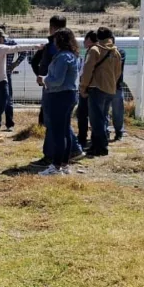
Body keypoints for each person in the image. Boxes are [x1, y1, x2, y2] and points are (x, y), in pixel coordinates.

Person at [0, 29, 37, 141]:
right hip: (0, 82)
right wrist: (36, 46)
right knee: (1, 107)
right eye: (2, 37)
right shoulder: (0, 48)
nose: (4, 40)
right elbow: (18, 48)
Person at [39, 28, 80, 176]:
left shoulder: (62, 57)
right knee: (65, 131)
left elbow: (57, 80)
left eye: (56, 39)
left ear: (60, 40)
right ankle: (64, 164)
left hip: (59, 96)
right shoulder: (73, 56)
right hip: (69, 95)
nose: (54, 42)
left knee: (57, 133)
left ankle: (56, 166)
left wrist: (44, 80)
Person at [79, 25, 123, 157]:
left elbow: (87, 70)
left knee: (96, 120)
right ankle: (100, 145)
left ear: (98, 37)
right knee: (102, 118)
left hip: (96, 89)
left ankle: (99, 147)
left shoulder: (95, 50)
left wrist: (83, 87)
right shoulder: (116, 52)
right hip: (110, 90)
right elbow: (118, 72)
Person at [30, 15, 67, 126]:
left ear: (52, 28)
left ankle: (44, 128)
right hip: (64, 84)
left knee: (47, 108)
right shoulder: (70, 46)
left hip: (50, 82)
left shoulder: (50, 46)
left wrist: (42, 76)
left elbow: (34, 62)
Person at [0, 25, 27, 130]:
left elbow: (23, 52)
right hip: (0, 74)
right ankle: (2, 124)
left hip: (3, 74)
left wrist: (15, 64)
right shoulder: (3, 43)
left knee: (4, 99)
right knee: (2, 99)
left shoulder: (8, 42)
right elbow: (23, 52)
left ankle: (5, 124)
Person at [76, 31, 97, 147]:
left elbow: (87, 71)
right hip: (91, 87)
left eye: (85, 39)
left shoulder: (93, 52)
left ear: (89, 40)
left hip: (88, 87)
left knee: (83, 114)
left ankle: (82, 137)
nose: (84, 42)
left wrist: (83, 87)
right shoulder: (93, 51)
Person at [111, 46, 127, 141]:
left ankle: (119, 132)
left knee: (117, 111)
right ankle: (107, 132)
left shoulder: (120, 52)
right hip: (107, 86)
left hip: (116, 86)